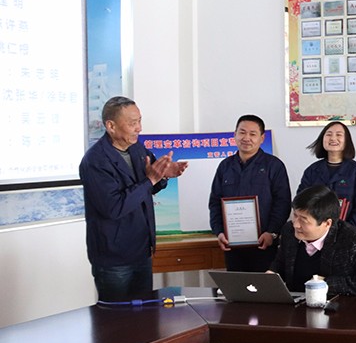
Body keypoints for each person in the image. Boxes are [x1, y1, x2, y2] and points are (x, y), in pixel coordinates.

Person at [79, 96, 189, 301]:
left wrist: (164, 174)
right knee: (116, 317)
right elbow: (114, 207)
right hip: (114, 257)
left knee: (144, 313)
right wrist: (151, 179)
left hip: (141, 250)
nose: (139, 128)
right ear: (111, 126)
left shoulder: (138, 149)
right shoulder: (95, 161)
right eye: (132, 123)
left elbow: (148, 187)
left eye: (139, 121)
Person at [269, 186, 356, 295]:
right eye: (295, 215)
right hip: (296, 305)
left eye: (303, 220)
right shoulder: (289, 231)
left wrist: (326, 283)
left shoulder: (353, 240)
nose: (296, 224)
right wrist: (271, 275)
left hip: (339, 308)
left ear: (327, 223)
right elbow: (281, 264)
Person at [209, 114, 292, 272]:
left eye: (252, 134)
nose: (246, 138)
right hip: (232, 245)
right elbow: (215, 202)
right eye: (242, 132)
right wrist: (219, 232)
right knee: (236, 285)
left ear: (262, 138)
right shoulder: (225, 166)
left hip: (264, 244)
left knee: (264, 285)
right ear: (235, 135)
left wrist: (271, 233)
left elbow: (283, 202)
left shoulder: (274, 166)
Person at [297, 121, 356, 227]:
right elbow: (301, 202)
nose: (333, 138)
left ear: (347, 141)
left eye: (339, 135)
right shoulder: (312, 170)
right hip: (314, 230)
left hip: (347, 231)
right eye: (329, 134)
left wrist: (349, 231)